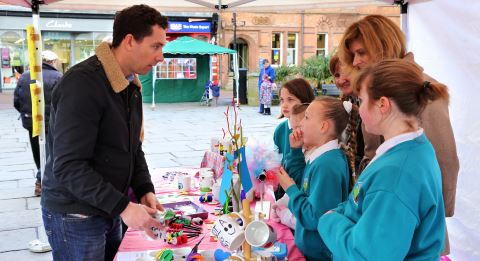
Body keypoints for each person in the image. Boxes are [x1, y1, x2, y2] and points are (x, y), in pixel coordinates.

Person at [41, 5, 168, 261]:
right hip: (76, 215)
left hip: (108, 206)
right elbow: (68, 166)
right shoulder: (82, 84)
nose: (161, 57)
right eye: (156, 46)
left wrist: (144, 188)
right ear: (130, 41)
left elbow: (133, 146)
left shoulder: (129, 83)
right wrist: (123, 206)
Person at [338, 14, 459, 254]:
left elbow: (445, 161)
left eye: (362, 52)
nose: (357, 61)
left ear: (383, 46)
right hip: (380, 212)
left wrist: (430, 216)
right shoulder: (375, 89)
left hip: (411, 226)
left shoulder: (419, 90)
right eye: (353, 55)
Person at [318, 59, 447, 260]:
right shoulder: (412, 148)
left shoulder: (396, 174)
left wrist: (328, 222)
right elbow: (362, 201)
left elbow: (368, 255)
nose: (359, 109)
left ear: (382, 104)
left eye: (361, 100)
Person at [276, 97, 351, 260]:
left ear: (323, 127)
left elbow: (314, 218)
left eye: (307, 117)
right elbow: (304, 182)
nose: (301, 123)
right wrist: (295, 151)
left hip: (319, 254)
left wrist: (291, 190)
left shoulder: (327, 165)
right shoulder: (321, 158)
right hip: (311, 250)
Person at [13, 50, 62, 196]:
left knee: (37, 151)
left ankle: (41, 178)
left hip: (31, 121)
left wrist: (26, 114)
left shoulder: (25, 76)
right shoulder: (58, 77)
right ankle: (41, 181)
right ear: (52, 62)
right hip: (52, 123)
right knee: (50, 151)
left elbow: (16, 101)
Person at [273, 78, 315, 199]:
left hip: (302, 190)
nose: (284, 105)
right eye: (282, 100)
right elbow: (280, 159)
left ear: (305, 101)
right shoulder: (280, 130)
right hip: (283, 190)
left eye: (290, 99)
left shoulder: (309, 130)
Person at [271, 103, 309, 230]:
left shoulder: (318, 161)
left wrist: (284, 214)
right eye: (293, 129)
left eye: (299, 128)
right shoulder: (301, 151)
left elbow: (298, 184)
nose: (294, 134)